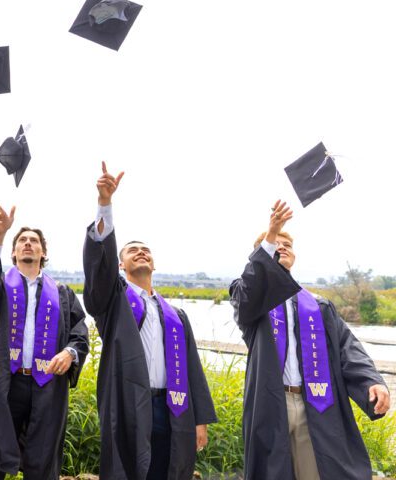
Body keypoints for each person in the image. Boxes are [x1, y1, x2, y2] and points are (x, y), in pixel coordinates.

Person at [230, 199, 390, 480]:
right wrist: (270, 235)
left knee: (317, 473)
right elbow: (249, 292)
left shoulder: (318, 306)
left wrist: (372, 381)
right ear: (260, 256)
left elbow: (347, 349)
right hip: (271, 404)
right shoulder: (251, 300)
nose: (281, 247)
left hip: (316, 406)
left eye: (286, 245)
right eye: (273, 245)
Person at [82, 162, 216, 480]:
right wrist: (105, 206)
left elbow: (192, 367)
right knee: (128, 470)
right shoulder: (114, 301)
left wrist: (199, 419)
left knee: (166, 471)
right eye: (132, 250)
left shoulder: (174, 315)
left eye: (146, 250)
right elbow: (97, 271)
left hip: (172, 408)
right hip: (130, 405)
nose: (141, 253)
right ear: (120, 263)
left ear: (154, 263)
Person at [0, 201, 89, 479]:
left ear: (43, 252)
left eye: (34, 241)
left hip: (46, 385)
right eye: (22, 241)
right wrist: (0, 235)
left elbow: (80, 331)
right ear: (13, 253)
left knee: (44, 456)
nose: (28, 244)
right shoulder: (1, 286)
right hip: (9, 382)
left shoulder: (61, 294)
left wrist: (69, 353)